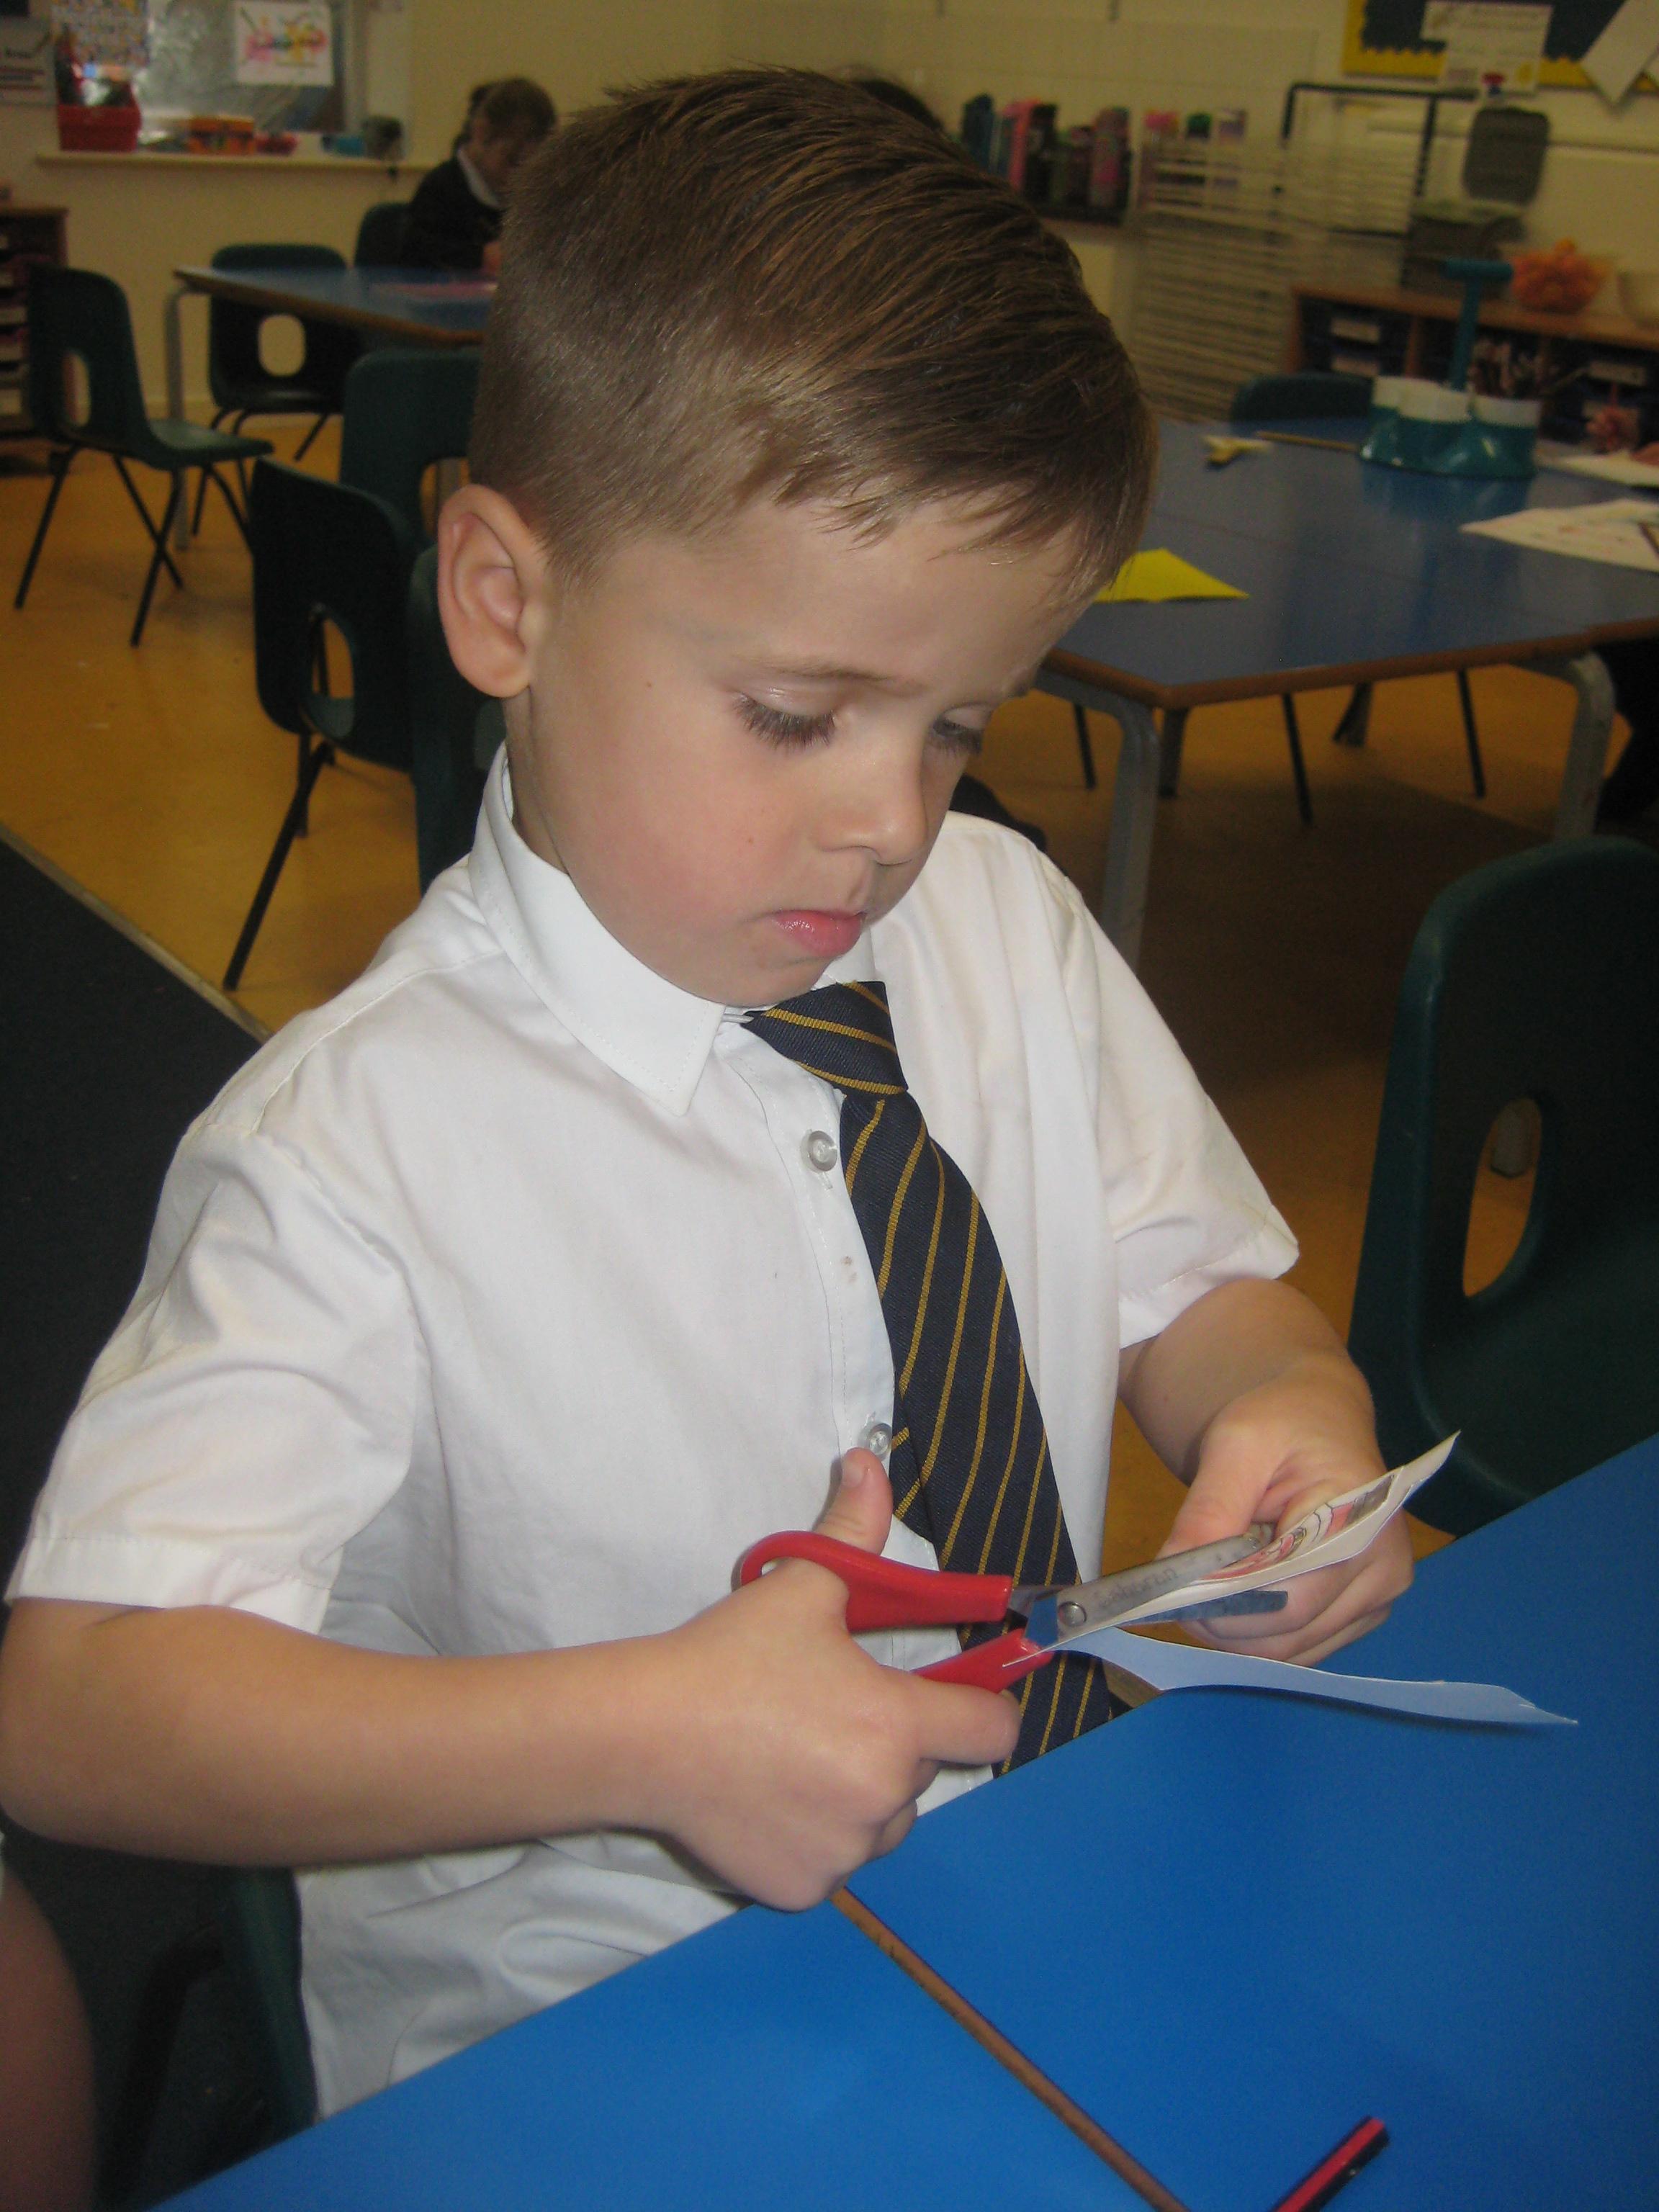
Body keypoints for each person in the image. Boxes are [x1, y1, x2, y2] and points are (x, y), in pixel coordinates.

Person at [0, 70, 1411, 2118]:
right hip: (598, 2036)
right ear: (507, 599)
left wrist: (1289, 1410)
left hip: (1054, 1881)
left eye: (957, 725)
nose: (889, 821)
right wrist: (647, 1732)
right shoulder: (354, 1150)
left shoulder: (1001, 922)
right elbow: (74, 1708)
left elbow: (1200, 1292)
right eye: (796, 713)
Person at [400, 76, 554, 272]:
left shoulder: (531, 197)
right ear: (481, 133)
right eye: (511, 161)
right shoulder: (441, 189)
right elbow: (413, 253)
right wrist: (479, 258)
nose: (517, 178)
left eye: (529, 170)